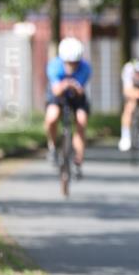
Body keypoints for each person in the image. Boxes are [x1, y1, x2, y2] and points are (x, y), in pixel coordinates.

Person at [45, 37, 92, 178]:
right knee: (52, 117)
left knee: (81, 121)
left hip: (77, 98)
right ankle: (52, 146)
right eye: (69, 63)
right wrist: (67, 84)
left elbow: (80, 90)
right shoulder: (54, 66)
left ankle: (78, 159)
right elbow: (56, 90)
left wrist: (72, 85)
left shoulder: (86, 68)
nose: (72, 65)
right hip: (58, 96)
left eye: (75, 63)